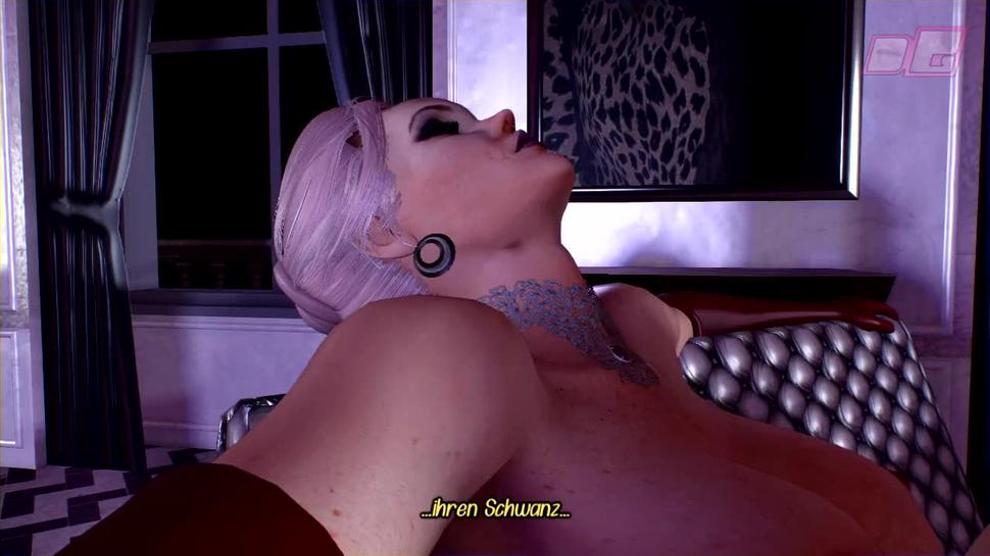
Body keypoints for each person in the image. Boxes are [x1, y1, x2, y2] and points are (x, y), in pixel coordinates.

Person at [58, 97, 988, 556]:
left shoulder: (632, 327)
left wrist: (860, 313)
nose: (503, 116)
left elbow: (697, 312)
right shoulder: (443, 352)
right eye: (440, 128)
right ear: (387, 232)